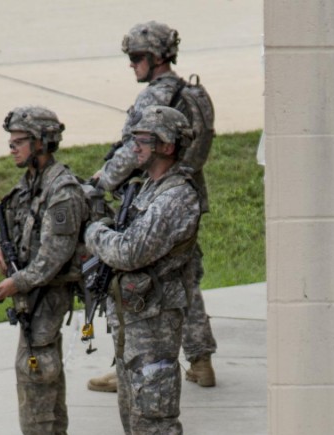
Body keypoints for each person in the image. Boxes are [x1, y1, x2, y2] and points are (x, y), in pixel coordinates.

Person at [84, 105, 199, 435]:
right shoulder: (149, 189)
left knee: (155, 413)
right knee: (133, 411)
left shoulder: (175, 196)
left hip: (155, 323)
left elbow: (130, 251)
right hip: (135, 320)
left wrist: (93, 232)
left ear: (167, 146)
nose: (134, 146)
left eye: (143, 139)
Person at [87, 20, 217, 395]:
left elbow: (133, 149)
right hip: (190, 192)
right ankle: (201, 358)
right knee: (185, 278)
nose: (132, 65)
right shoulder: (194, 91)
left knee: (147, 280)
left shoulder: (153, 98)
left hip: (159, 196)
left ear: (155, 57)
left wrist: (102, 181)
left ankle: (129, 360)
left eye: (136, 58)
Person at [0, 107, 87, 435]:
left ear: (41, 143)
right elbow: (13, 220)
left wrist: (18, 283)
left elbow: (53, 257)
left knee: (34, 367)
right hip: (33, 285)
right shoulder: (31, 181)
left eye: (19, 142)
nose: (11, 148)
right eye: (10, 141)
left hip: (48, 289)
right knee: (45, 364)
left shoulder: (61, 190)